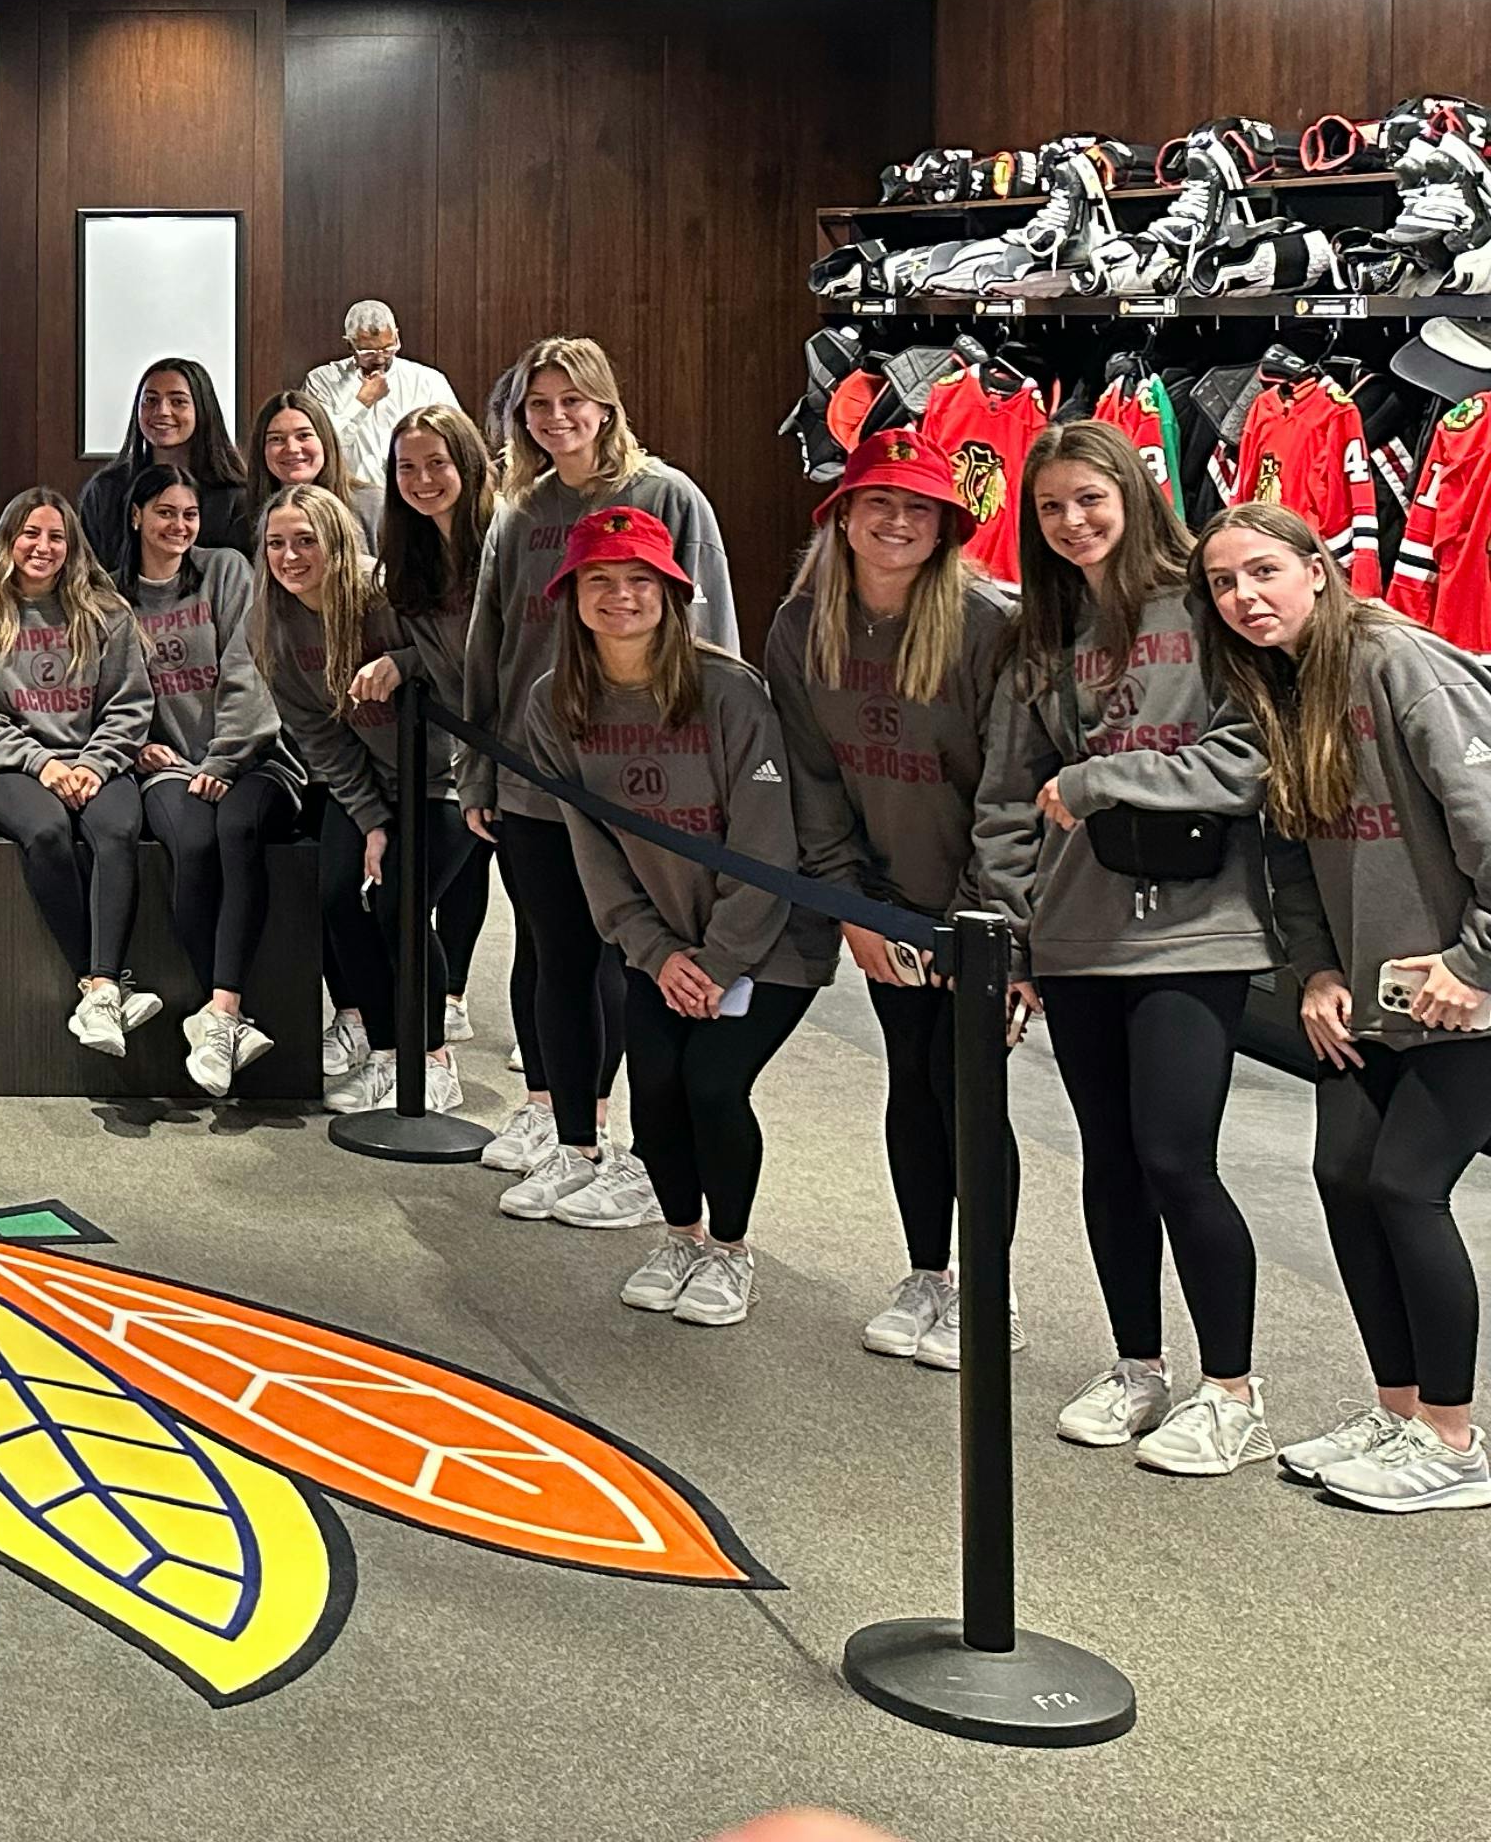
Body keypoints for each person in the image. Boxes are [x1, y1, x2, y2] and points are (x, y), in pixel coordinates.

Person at [972, 421, 1278, 1477]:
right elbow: (1008, 796)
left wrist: (1105, 780)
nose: (1072, 523)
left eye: (1088, 500)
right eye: (1050, 507)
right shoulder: (1038, 636)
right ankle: (1136, 1364)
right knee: (1109, 1159)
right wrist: (1012, 934)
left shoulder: (1201, 606)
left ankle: (1232, 1392)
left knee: (1176, 1156)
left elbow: (1250, 758)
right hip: (1078, 932)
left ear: (1135, 493)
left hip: (1197, 928)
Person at [1197, 502, 1491, 1511]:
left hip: (1466, 993)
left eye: (1265, 572)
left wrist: (1477, 962)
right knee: (1345, 1177)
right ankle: (1398, 1408)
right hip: (1365, 992)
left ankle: (1454, 1442)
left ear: (1318, 569)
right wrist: (1314, 973)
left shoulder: (1400, 663)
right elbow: (1287, 854)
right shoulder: (1274, 690)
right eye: (1225, 584)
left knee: (1409, 1186)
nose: (1246, 596)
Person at [521, 506, 832, 1331]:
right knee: (654, 1086)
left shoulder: (728, 691)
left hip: (767, 941)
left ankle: (730, 1250)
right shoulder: (556, 703)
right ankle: (681, 1236)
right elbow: (593, 850)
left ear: (671, 592)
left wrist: (721, 961)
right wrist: (655, 953)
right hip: (661, 940)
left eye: (639, 581)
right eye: (600, 581)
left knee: (712, 1082)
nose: (620, 597)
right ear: (573, 595)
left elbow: (769, 847)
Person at [459, 339, 733, 1232]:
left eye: (571, 401)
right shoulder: (522, 509)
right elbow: (491, 644)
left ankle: (645, 1162)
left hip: (647, 787)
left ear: (606, 405)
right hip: (540, 777)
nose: (555, 418)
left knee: (642, 964)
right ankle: (576, 1142)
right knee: (558, 958)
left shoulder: (666, 496)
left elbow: (714, 638)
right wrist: (480, 766)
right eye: (538, 405)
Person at [765, 430, 1017, 1371]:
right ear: (844, 517)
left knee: (969, 1092)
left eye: (918, 508)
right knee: (911, 1081)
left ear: (947, 525)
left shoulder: (989, 625)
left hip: (977, 914)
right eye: (880, 504)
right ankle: (928, 1274)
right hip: (885, 904)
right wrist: (853, 911)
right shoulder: (802, 626)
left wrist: (983, 924)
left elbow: (1008, 786)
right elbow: (812, 780)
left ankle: (991, 1293)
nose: (898, 522)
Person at [261, 486, 459, 1118]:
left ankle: (431, 1059)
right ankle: (385, 1051)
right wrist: (371, 817)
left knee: (401, 907)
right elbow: (319, 735)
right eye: (275, 543)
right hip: (369, 780)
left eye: (304, 540)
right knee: (335, 895)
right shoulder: (274, 620)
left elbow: (457, 657)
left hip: (442, 779)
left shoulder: (386, 592)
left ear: (337, 539)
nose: (289, 557)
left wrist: (401, 661)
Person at [0, 489, 155, 1053]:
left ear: (72, 545)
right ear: (8, 541)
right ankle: (99, 985)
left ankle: (103, 987)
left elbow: (131, 706)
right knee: (46, 830)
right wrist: (44, 765)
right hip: (5, 769)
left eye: (56, 536)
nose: (43, 547)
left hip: (96, 763)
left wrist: (92, 763)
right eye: (30, 534)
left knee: (116, 832)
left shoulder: (107, 612)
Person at [119, 463, 289, 1094]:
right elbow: (112, 690)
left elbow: (249, 667)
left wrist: (224, 758)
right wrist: (136, 746)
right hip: (164, 763)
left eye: (189, 514)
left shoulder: (226, 572)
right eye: (165, 512)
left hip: (244, 754)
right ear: (136, 515)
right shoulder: (112, 595)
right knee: (191, 844)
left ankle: (221, 1012)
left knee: (235, 836)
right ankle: (228, 1021)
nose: (180, 526)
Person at [362, 403, 499, 1068]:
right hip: (471, 760)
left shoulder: (502, 541)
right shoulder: (413, 559)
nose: (422, 479)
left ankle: (577, 1119)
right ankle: (430, 1058)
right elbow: (448, 659)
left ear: (468, 465)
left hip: (528, 757)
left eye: (437, 463)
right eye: (407, 467)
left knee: (556, 933)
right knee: (399, 906)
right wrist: (404, 661)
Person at [83, 359, 253, 573]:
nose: (162, 411)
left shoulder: (235, 498)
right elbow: (85, 574)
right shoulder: (106, 490)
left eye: (178, 401)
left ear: (202, 409)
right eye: (150, 400)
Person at [304, 300, 459, 490]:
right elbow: (322, 444)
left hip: (416, 493)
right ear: (349, 345)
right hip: (349, 495)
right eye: (368, 352)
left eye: (388, 349)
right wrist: (362, 402)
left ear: (396, 336)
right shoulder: (322, 381)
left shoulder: (428, 380)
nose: (379, 358)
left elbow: (457, 439)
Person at [248, 388, 359, 513]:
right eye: (276, 438)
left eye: (304, 435)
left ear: (325, 440)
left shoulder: (371, 507)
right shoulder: (241, 517)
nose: (292, 448)